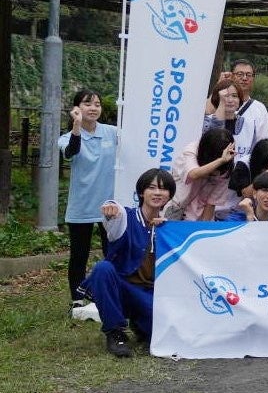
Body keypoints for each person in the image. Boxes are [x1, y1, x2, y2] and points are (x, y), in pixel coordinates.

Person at [84, 168, 176, 357]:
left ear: (170, 195)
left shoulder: (171, 227)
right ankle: (115, 332)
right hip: (122, 288)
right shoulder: (126, 217)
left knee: (170, 334)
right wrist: (111, 208)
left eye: (163, 189)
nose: (157, 193)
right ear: (141, 192)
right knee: (103, 268)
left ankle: (141, 325)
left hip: (151, 294)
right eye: (151, 188)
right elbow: (113, 215)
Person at [60, 88, 119, 308]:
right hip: (81, 205)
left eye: (97, 104)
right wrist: (76, 125)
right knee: (79, 255)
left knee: (111, 253)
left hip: (109, 206)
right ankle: (77, 300)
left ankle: (112, 295)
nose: (93, 108)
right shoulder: (67, 137)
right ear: (77, 108)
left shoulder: (111, 132)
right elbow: (71, 152)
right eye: (87, 104)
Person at [168, 127, 238, 221]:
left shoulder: (226, 167)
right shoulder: (191, 150)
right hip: (174, 208)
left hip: (198, 218)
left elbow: (212, 202)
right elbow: (193, 174)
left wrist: (203, 227)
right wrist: (220, 160)